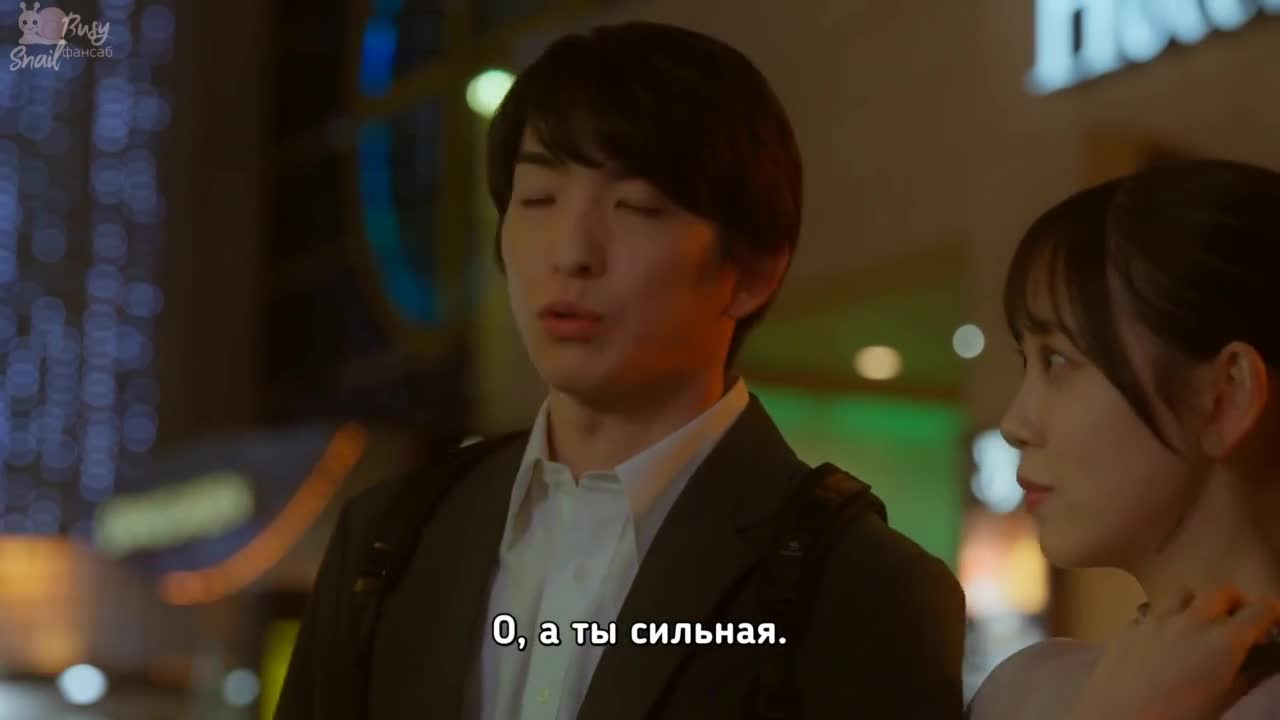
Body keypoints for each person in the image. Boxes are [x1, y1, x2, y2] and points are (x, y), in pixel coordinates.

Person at [275, 20, 965, 720]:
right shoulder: (389, 540)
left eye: (636, 207)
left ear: (752, 272)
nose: (571, 253)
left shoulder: (856, 587)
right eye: (537, 200)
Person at [968, 158, 1280, 720]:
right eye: (1026, 362)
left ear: (1226, 397)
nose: (1015, 423)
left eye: (1058, 360)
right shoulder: (1021, 691)